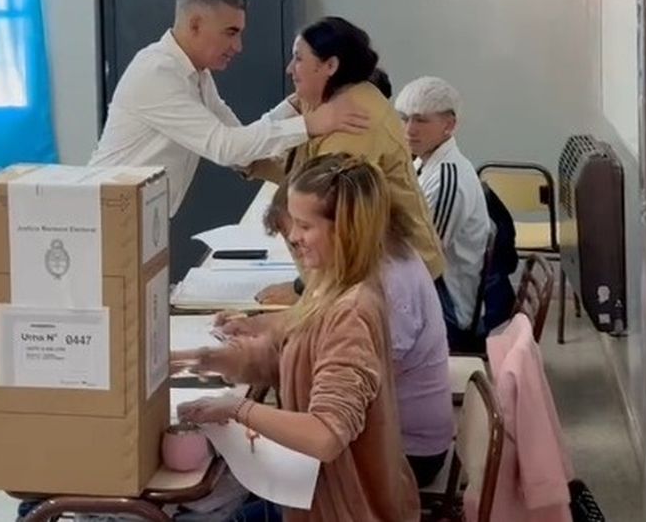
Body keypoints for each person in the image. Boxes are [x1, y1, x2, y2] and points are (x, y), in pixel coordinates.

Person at [174, 155, 421, 522]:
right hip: (316, 494)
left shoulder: (351, 312)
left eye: (305, 226)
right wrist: (206, 359)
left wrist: (237, 409)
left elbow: (325, 435)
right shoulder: (330, 286)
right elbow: (293, 359)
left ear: (345, 230)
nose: (293, 236)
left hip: (344, 509)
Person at [228, 173, 454, 487]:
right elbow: (314, 322)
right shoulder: (373, 258)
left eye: (303, 230)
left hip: (404, 454)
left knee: (242, 460)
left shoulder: (384, 288)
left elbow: (342, 400)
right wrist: (258, 327)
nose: (298, 245)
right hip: (383, 435)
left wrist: (243, 393)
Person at [88, 0, 369, 216]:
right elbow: (226, 148)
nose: (238, 46)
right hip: (104, 214)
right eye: (230, 33)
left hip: (137, 215)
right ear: (195, 25)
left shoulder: (198, 75)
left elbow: (239, 139)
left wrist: (292, 106)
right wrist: (311, 124)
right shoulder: (158, 72)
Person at [246, 16, 444, 279]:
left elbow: (328, 216)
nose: (290, 69)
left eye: (299, 59)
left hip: (396, 276)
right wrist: (252, 162)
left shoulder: (355, 119)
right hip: (370, 270)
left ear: (330, 65)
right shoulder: (323, 101)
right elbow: (301, 171)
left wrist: (302, 291)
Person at [393, 77, 493, 341]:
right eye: (404, 119)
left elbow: (421, 261)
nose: (409, 130)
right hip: (430, 291)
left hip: (448, 311)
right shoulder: (423, 163)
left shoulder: (448, 178)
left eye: (420, 120)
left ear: (449, 125)